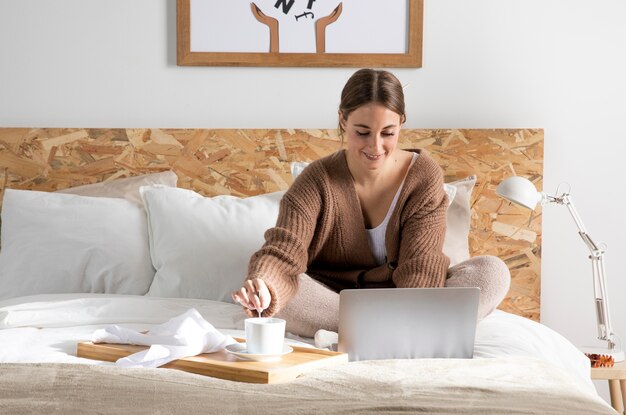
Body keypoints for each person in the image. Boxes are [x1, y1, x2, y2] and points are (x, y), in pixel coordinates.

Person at [232, 68, 510, 338]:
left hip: (407, 299)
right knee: (285, 296)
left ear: (402, 121)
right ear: (343, 120)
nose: (375, 147)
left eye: (387, 133)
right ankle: (411, 331)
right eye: (362, 132)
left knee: (492, 273)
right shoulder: (317, 179)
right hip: (333, 299)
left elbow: (422, 265)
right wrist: (265, 285)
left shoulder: (423, 176)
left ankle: (379, 329)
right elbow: (284, 251)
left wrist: (413, 306)